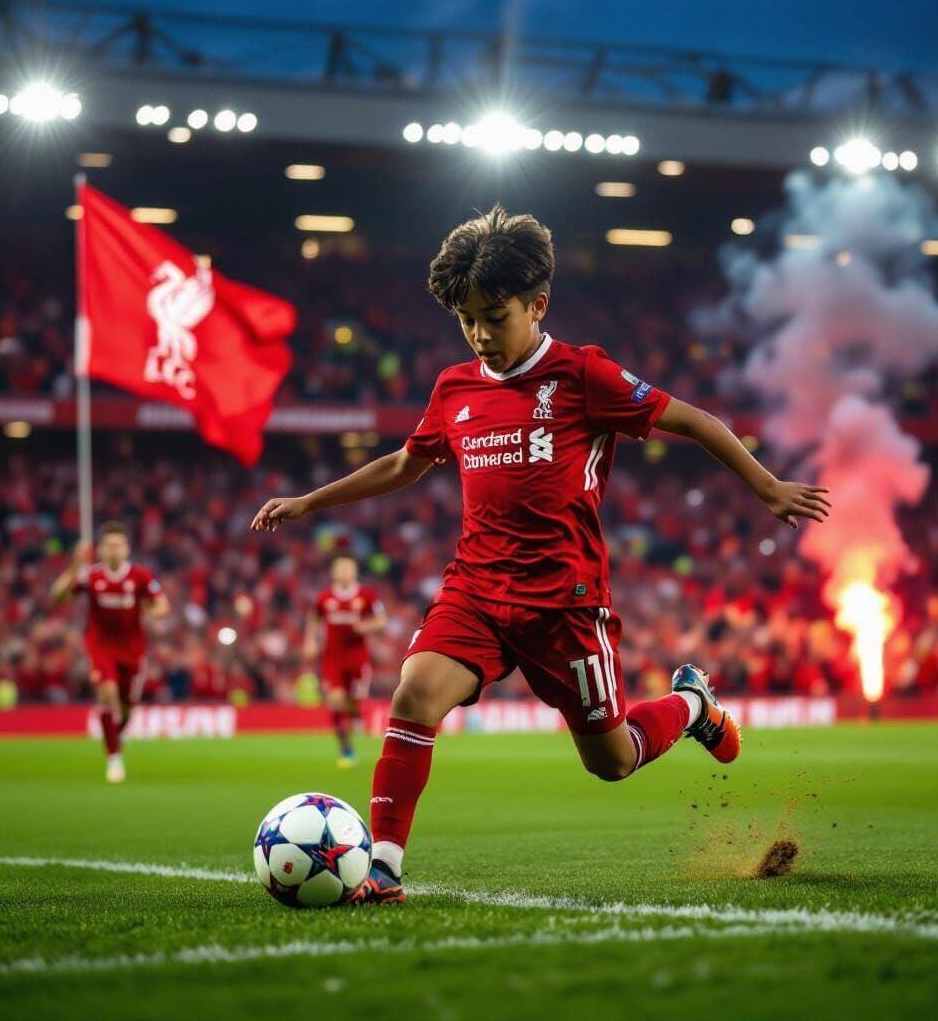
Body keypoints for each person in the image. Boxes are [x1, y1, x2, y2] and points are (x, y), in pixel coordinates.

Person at [251, 206, 830, 903]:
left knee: (612, 761)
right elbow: (406, 463)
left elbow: (694, 420)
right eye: (466, 319)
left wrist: (767, 488)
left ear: (537, 304)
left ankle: (690, 702)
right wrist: (311, 502)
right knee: (413, 694)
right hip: (475, 592)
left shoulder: (584, 375)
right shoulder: (454, 388)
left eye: (494, 316)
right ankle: (383, 870)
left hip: (565, 603)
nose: (479, 333)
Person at [51, 520, 169, 783]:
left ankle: (116, 735)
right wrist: (74, 565)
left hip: (133, 648)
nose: (114, 551)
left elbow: (162, 604)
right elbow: (57, 597)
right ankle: (114, 759)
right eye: (108, 546)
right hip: (101, 646)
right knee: (107, 694)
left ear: (127, 548)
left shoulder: (140, 576)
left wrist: (153, 613)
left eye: (118, 545)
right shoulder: (90, 576)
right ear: (100, 550)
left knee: (127, 709)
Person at [304, 554, 387, 767]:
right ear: (333, 572)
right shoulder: (324, 598)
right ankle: (346, 748)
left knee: (353, 707)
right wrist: (310, 641)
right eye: (340, 568)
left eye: (348, 568)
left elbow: (381, 619)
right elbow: (314, 619)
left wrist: (366, 627)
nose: (344, 572)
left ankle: (352, 728)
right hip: (333, 658)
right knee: (336, 700)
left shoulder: (367, 595)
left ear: (354, 571)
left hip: (358, 658)